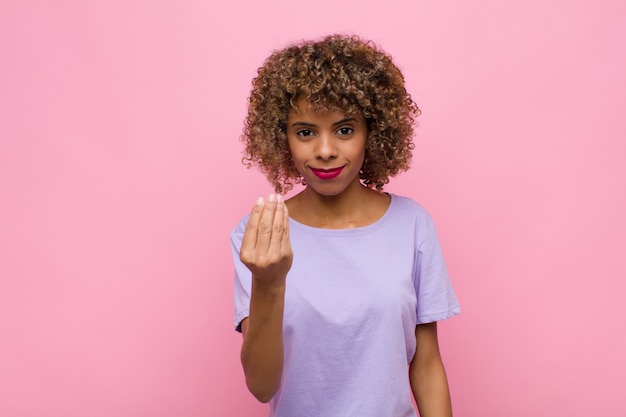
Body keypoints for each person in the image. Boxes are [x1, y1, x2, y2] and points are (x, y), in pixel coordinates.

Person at [230, 34, 460, 417]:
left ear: (373, 132)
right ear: (281, 137)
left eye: (344, 129)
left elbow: (427, 363)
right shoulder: (259, 235)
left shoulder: (412, 224)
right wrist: (269, 282)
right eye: (305, 132)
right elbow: (260, 385)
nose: (324, 150)